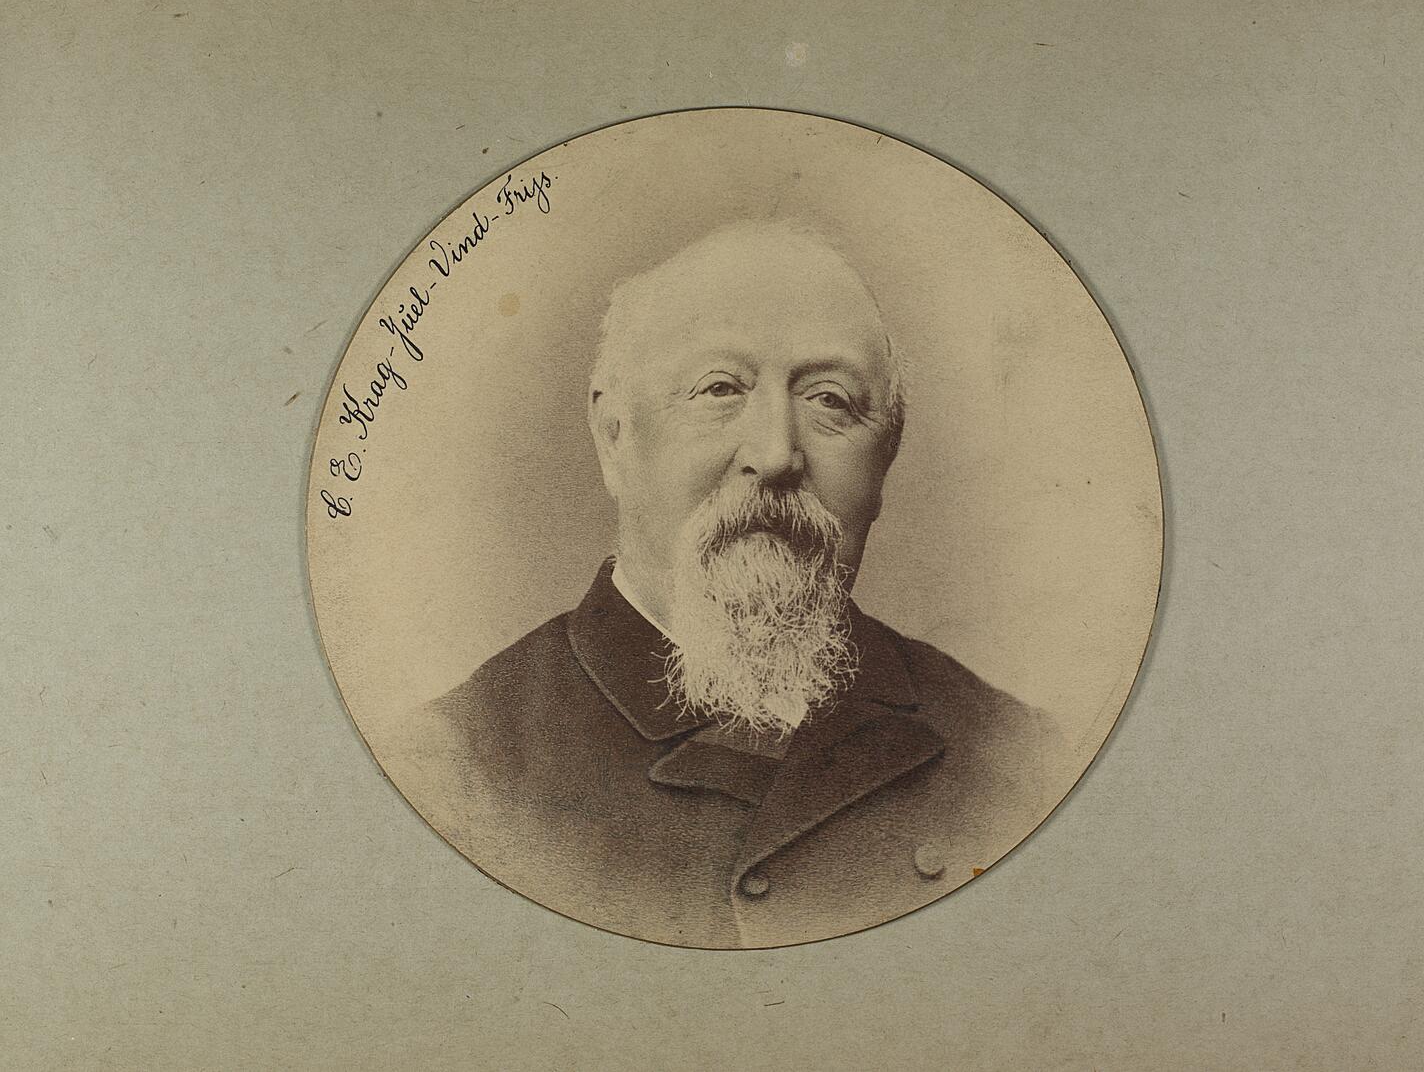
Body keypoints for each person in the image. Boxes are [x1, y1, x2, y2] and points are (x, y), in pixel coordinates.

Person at [400, 220, 1065, 948]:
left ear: (887, 457)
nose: (776, 454)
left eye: (830, 400)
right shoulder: (451, 772)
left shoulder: (1019, 761)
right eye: (720, 388)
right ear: (614, 434)